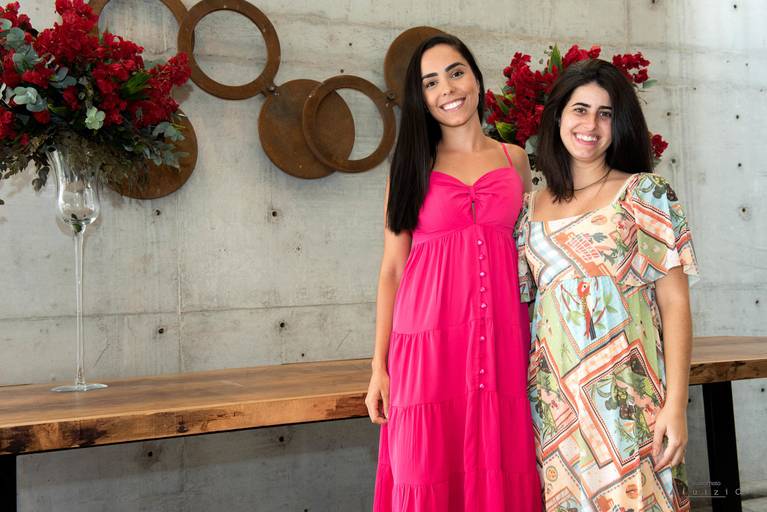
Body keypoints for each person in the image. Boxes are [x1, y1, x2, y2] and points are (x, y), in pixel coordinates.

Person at [365, 33, 541, 511]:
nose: (447, 89)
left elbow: (534, 253)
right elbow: (392, 269)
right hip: (426, 344)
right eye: (430, 82)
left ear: (476, 79)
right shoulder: (410, 165)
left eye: (456, 73)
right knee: (428, 465)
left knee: (500, 458)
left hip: (502, 339)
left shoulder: (514, 160)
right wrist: (379, 367)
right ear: (421, 98)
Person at [516, 58, 697, 511]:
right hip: (554, 409)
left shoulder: (645, 193)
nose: (591, 125)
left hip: (628, 402)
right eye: (580, 110)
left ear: (621, 125)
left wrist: (676, 403)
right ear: (558, 117)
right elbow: (528, 310)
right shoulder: (528, 209)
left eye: (606, 114)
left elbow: (675, 303)